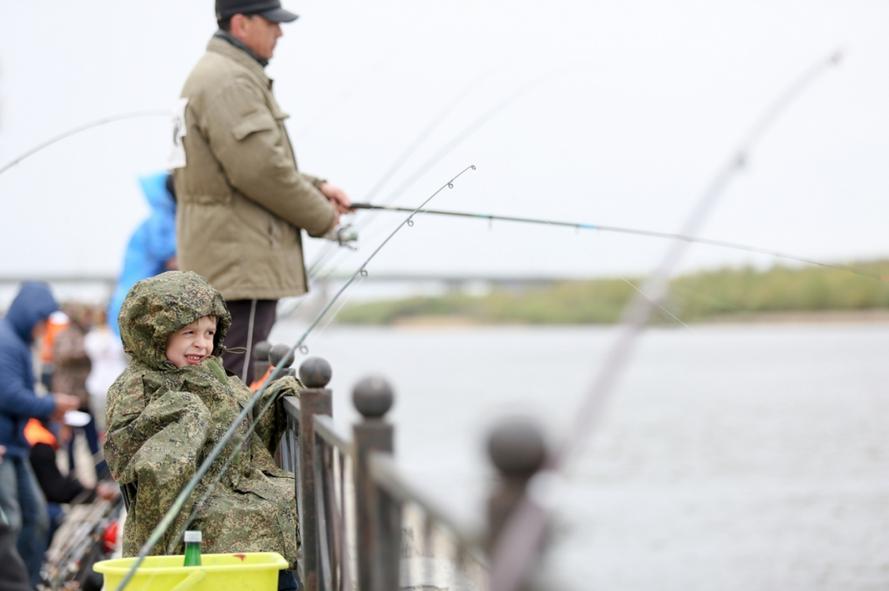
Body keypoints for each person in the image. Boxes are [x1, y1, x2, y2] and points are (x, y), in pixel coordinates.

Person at [172, 0, 351, 384]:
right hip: (239, 264)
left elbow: (254, 163)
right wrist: (323, 218)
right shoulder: (229, 81)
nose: (280, 32)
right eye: (272, 23)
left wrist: (317, 188)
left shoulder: (219, 75)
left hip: (229, 258)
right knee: (233, 382)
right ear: (241, 23)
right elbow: (261, 172)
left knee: (224, 376)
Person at [103, 271, 302, 590]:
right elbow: (126, 453)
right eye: (189, 332)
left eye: (210, 332)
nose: (202, 343)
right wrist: (183, 415)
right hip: (190, 520)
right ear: (157, 333)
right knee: (265, 520)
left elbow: (243, 437)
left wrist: (270, 400)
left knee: (285, 502)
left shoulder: (212, 374)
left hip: (237, 492)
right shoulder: (136, 387)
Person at [0, 282, 80, 587]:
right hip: (5, 448)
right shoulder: (6, 342)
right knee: (12, 522)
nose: (44, 326)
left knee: (34, 519)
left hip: (15, 446)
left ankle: (26, 582)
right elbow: (8, 394)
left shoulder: (16, 342)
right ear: (29, 314)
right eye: (42, 319)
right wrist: (51, 405)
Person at [107, 172, 178, 338]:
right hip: (139, 306)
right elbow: (169, 258)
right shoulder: (161, 220)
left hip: (128, 304)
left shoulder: (152, 220)